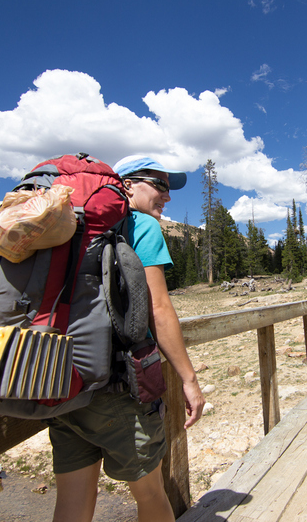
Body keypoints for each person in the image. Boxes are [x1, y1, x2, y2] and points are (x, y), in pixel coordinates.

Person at [47, 155, 206, 522]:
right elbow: (159, 309)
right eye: (160, 185)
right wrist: (189, 380)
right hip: (119, 388)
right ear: (128, 185)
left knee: (72, 501)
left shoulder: (69, 226)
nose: (167, 196)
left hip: (64, 381)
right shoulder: (142, 226)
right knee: (150, 494)